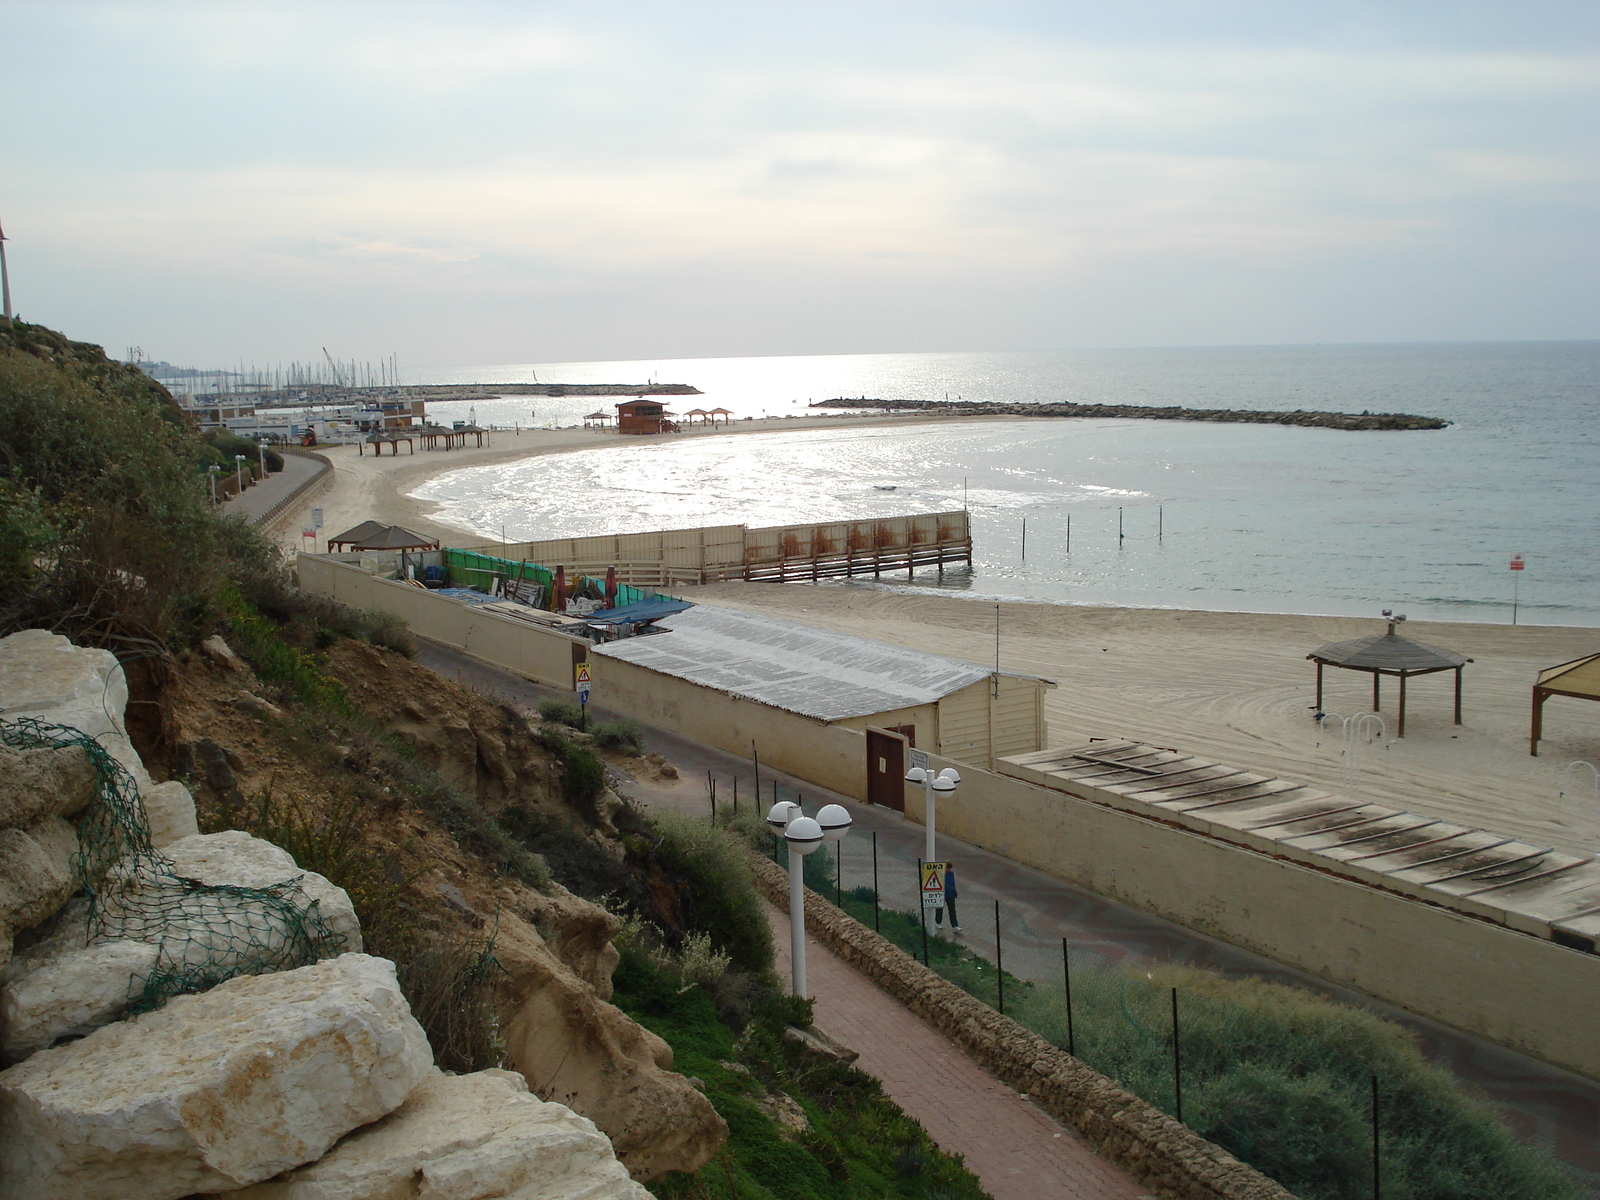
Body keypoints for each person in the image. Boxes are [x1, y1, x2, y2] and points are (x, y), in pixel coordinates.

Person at [933, 862, 961, 934]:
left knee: (952, 910)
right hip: (942, 894)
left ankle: (955, 925)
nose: (948, 870)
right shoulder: (941, 874)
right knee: (940, 908)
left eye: (949, 868)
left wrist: (954, 891)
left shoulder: (951, 874)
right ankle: (937, 922)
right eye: (947, 868)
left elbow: (953, 883)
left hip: (950, 895)